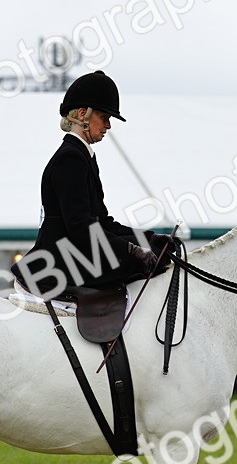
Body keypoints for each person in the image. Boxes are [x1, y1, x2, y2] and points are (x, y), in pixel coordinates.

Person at [11, 71, 173, 299]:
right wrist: (132, 250)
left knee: (159, 253)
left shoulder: (84, 155)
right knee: (142, 264)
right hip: (60, 260)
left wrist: (148, 238)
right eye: (104, 118)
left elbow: (102, 221)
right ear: (82, 114)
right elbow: (81, 228)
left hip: (76, 249)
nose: (108, 126)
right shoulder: (70, 158)